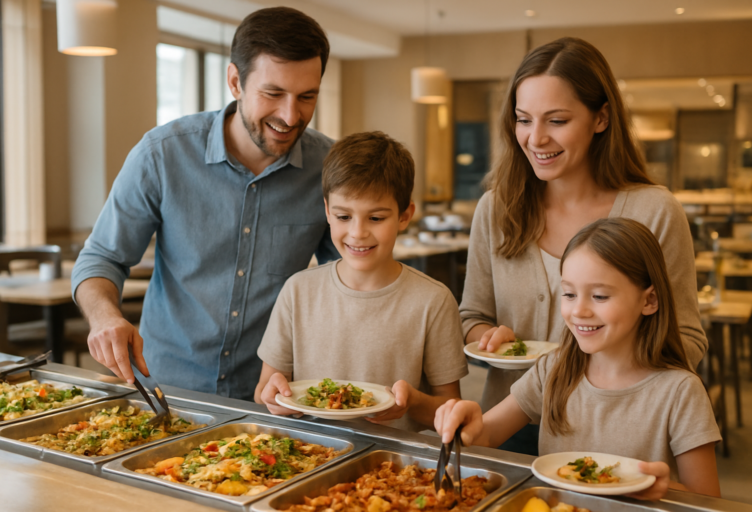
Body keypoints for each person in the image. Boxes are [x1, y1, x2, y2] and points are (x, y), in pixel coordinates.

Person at [71, 7, 338, 400]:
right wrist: (105, 317)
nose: (289, 115)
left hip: (276, 396)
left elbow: (348, 277)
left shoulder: (330, 168)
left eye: (306, 97)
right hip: (166, 392)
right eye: (273, 93)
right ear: (235, 81)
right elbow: (101, 258)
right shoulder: (162, 154)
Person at [459, 37, 707, 453]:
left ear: (601, 118)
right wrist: (490, 337)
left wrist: (606, 364)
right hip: (505, 421)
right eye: (523, 120)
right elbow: (472, 316)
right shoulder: (496, 209)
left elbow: (687, 340)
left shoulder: (655, 211)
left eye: (556, 120)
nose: (536, 138)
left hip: (609, 430)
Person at [437, 218, 721, 500]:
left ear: (649, 301)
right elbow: (486, 435)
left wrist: (664, 489)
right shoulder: (553, 369)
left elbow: (708, 499)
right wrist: (465, 423)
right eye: (569, 294)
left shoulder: (681, 392)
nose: (578, 311)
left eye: (600, 296)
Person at [255, 131, 468, 431]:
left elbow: (450, 409)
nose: (357, 233)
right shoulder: (298, 291)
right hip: (309, 448)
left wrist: (412, 402)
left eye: (376, 218)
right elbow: (263, 390)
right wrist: (273, 397)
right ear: (327, 211)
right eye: (344, 217)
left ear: (404, 216)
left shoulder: (433, 301)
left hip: (391, 456)